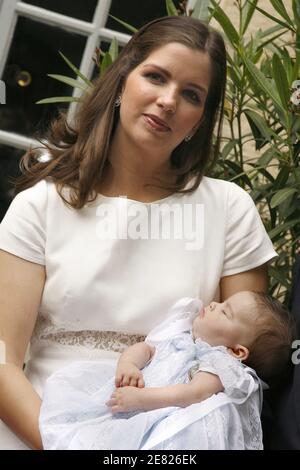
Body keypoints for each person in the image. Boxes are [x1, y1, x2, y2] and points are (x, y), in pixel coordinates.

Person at [0, 16, 277, 450]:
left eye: (191, 94)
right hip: (39, 428)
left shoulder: (229, 211)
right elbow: (3, 362)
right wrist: (66, 444)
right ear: (122, 81)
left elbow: (239, 367)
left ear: (200, 119)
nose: (168, 101)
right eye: (155, 76)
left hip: (171, 439)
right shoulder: (41, 204)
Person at [39, 292, 296, 450]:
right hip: (129, 405)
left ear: (237, 351)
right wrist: (128, 365)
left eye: (226, 312)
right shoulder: (181, 334)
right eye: (222, 302)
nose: (215, 304)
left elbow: (192, 394)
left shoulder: (221, 365)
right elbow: (146, 348)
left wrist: (142, 399)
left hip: (163, 418)